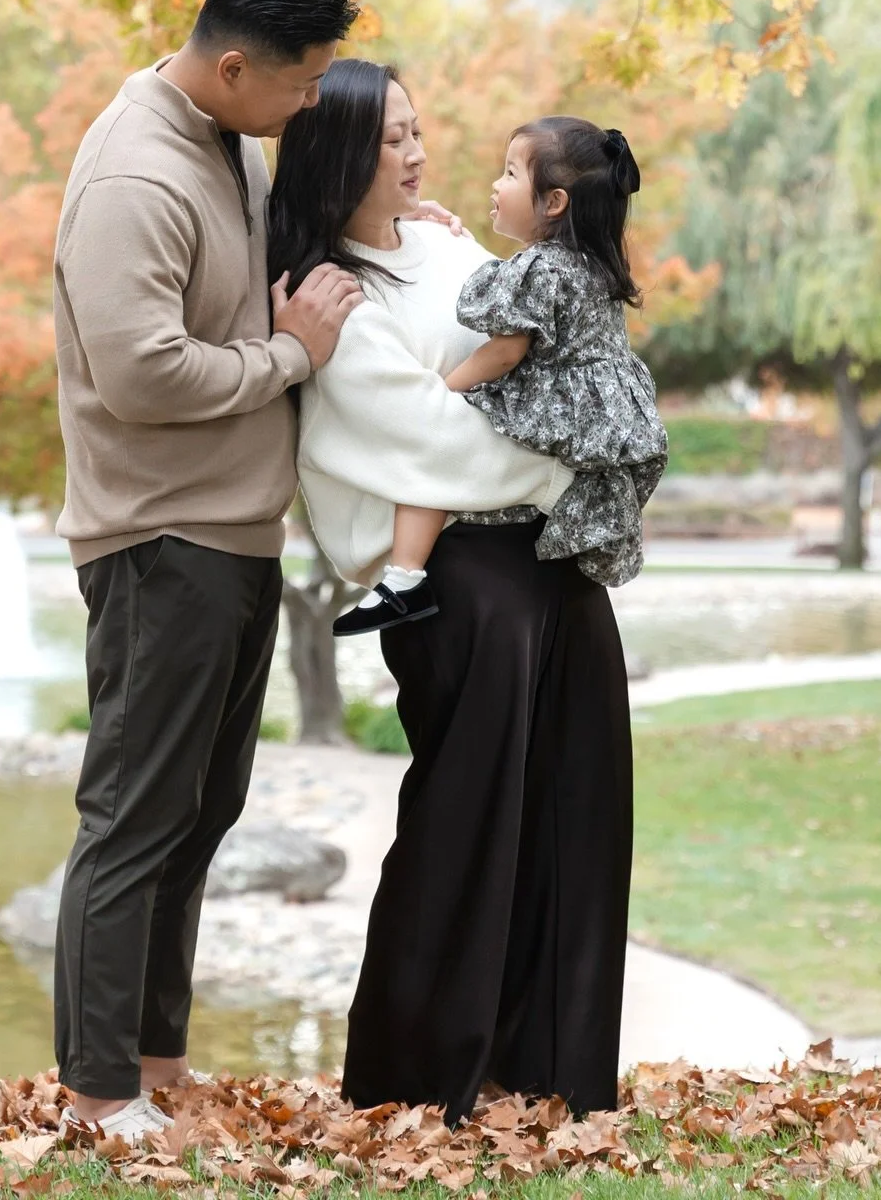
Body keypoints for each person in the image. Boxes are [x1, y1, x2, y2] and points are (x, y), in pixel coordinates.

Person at [268, 61, 634, 1126]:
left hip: (549, 559)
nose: (417, 154)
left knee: (579, 807)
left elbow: (546, 356)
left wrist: (555, 449)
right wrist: (575, 463)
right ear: (338, 152)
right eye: (390, 140)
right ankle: (419, 1081)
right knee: (464, 823)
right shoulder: (328, 288)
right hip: (458, 581)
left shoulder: (444, 244)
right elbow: (428, 437)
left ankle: (555, 1072)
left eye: (418, 131)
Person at [49, 0, 364, 1144]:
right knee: (135, 815)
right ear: (234, 65)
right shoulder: (138, 174)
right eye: (298, 87)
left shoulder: (223, 135)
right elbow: (139, 373)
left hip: (231, 533)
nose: (306, 109)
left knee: (202, 806)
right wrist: (291, 357)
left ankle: (156, 1059)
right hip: (158, 538)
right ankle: (95, 1091)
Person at [339, 115, 668, 636]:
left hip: (549, 405)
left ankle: (403, 577)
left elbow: (504, 354)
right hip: (595, 414)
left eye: (510, 174)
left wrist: (444, 391)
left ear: (554, 203)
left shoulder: (539, 268)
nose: (496, 183)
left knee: (432, 453)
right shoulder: (590, 265)